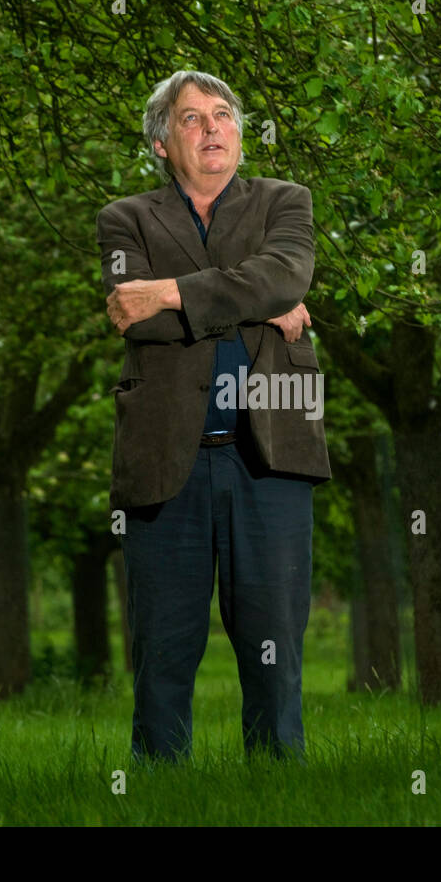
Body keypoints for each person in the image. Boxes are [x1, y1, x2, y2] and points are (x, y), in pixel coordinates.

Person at [96, 70, 331, 764]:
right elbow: (137, 323)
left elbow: (286, 276)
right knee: (163, 649)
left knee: (274, 643)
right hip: (166, 459)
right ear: (162, 142)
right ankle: (162, 785)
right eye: (191, 118)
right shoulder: (124, 219)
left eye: (222, 115)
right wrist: (255, 301)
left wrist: (169, 290)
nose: (212, 129)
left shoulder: (287, 202)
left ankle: (278, 780)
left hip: (272, 455)